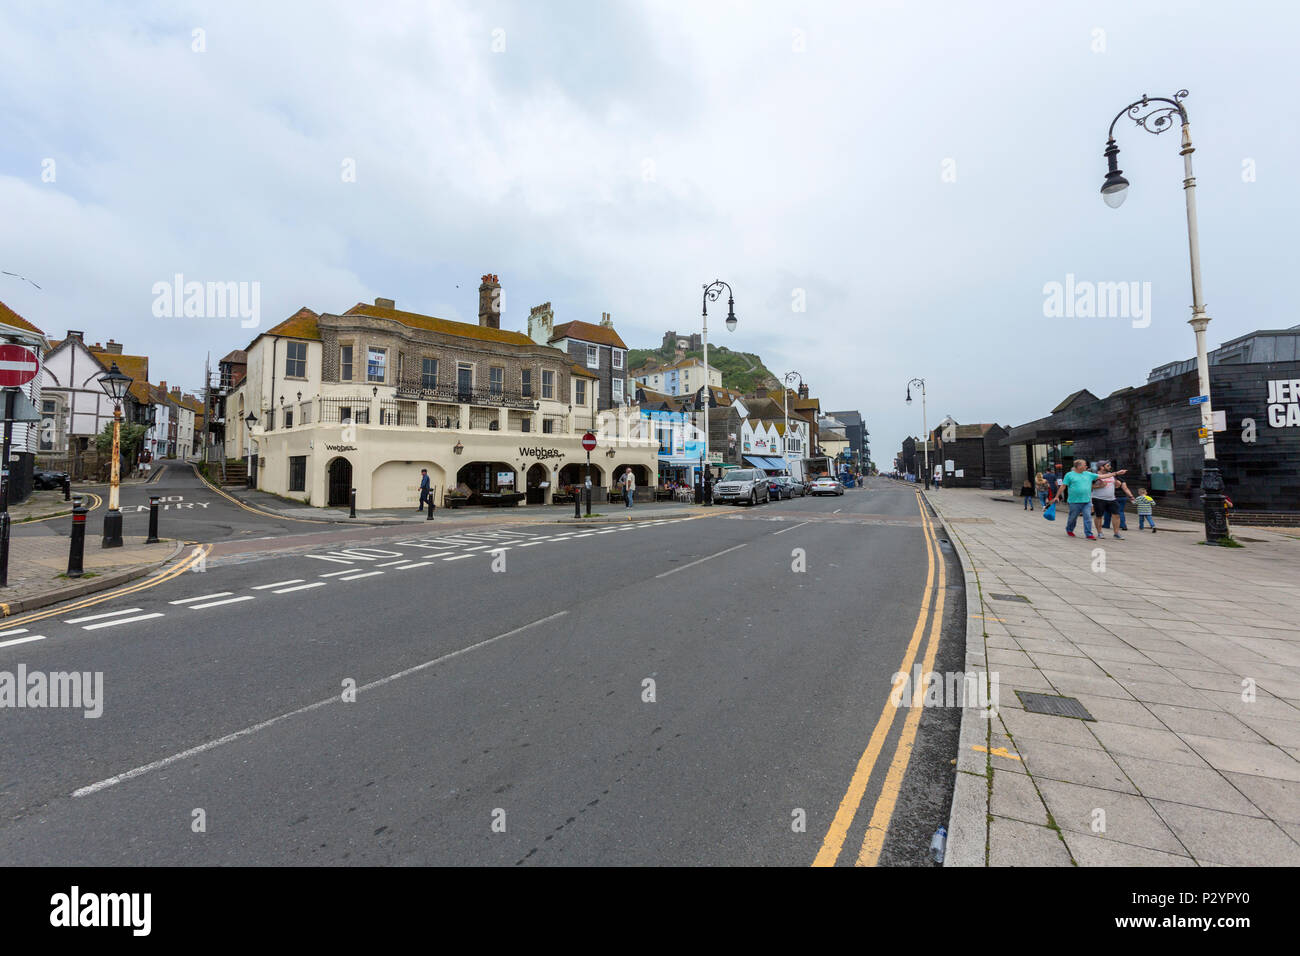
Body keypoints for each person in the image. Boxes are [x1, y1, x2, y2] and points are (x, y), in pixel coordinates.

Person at [1055, 459, 1100, 539]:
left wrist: (1115, 473)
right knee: (1073, 518)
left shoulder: (1088, 474)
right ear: (1079, 466)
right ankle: (1069, 529)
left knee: (1088, 517)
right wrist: (1057, 496)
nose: (1086, 466)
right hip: (1074, 501)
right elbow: (1063, 486)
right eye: (1084, 465)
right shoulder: (1069, 475)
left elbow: (1102, 476)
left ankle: (1089, 534)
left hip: (1086, 501)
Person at [1091, 463, 1133, 540]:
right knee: (1099, 516)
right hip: (1098, 499)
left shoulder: (1112, 475)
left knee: (1116, 515)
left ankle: (1116, 533)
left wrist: (1117, 484)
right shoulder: (1095, 476)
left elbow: (1117, 485)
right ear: (1101, 467)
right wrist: (1099, 486)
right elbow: (1089, 486)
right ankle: (1100, 533)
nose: (1110, 467)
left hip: (1112, 498)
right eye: (1108, 466)